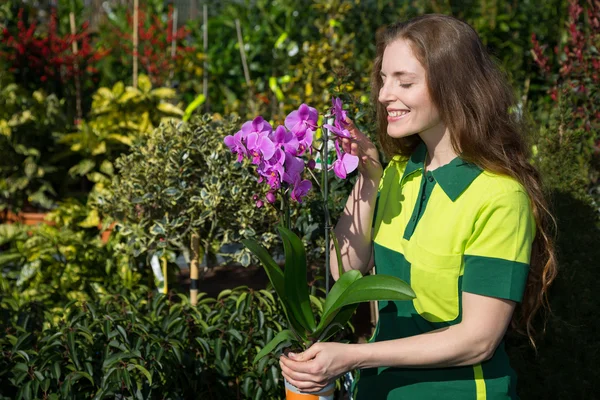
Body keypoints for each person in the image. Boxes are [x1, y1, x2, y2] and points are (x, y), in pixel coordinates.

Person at [279, 14, 557, 400]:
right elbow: (344, 270)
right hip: (379, 389)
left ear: (452, 88)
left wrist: (353, 357)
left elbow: (478, 339)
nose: (382, 95)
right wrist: (369, 178)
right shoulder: (396, 173)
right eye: (383, 79)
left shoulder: (499, 196)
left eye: (404, 82)